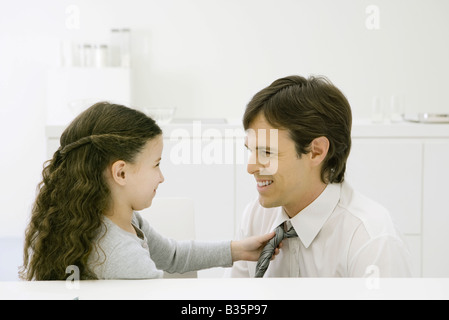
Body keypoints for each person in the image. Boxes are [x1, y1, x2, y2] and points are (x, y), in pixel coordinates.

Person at [20, 102, 276, 280]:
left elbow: (173, 255)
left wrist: (238, 250)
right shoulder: (126, 258)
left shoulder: (103, 221)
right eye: (156, 165)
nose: (162, 177)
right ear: (121, 173)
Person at [228, 75, 412, 277]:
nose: (251, 167)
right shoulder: (256, 216)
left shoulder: (371, 241)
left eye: (267, 152)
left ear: (316, 151)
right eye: (251, 150)